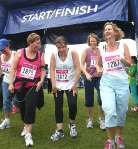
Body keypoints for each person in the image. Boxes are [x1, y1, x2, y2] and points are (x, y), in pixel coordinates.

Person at [8, 33, 46, 147]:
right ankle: (25, 125)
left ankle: (28, 134)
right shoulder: (20, 53)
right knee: (23, 108)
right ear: (30, 42)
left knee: (30, 108)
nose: (39, 45)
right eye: (37, 42)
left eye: (39, 42)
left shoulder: (40, 55)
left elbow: (43, 69)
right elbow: (13, 69)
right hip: (20, 86)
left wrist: (41, 80)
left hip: (33, 86)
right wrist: (10, 84)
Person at [98, 22, 131, 149]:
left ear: (115, 32)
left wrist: (121, 59)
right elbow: (100, 64)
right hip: (107, 83)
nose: (107, 31)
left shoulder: (124, 45)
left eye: (109, 29)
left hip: (122, 83)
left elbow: (129, 63)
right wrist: (99, 68)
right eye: (105, 29)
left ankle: (119, 137)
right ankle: (110, 140)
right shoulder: (102, 47)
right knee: (110, 111)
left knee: (122, 111)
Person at [50, 36, 80, 141]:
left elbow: (78, 68)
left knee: (72, 104)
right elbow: (52, 70)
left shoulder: (73, 53)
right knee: (58, 106)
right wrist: (53, 85)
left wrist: (75, 84)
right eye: (59, 47)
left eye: (63, 47)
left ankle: (72, 124)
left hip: (71, 84)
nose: (61, 49)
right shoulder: (54, 55)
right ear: (56, 47)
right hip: (58, 85)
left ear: (66, 45)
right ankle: (59, 130)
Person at [81, 33, 105, 129]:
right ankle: (90, 119)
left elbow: (103, 64)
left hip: (99, 77)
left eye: (94, 41)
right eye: (91, 41)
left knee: (101, 98)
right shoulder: (86, 51)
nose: (93, 42)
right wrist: (86, 74)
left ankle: (101, 119)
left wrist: (101, 69)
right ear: (89, 42)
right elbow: (81, 64)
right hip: (89, 77)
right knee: (89, 100)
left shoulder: (101, 51)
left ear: (97, 41)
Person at [0, 38, 16, 129]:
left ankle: (26, 125)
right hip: (6, 81)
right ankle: (6, 121)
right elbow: (1, 71)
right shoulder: (1, 57)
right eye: (1, 49)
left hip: (17, 82)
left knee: (19, 102)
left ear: (8, 46)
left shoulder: (15, 54)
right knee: (5, 101)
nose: (2, 51)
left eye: (3, 48)